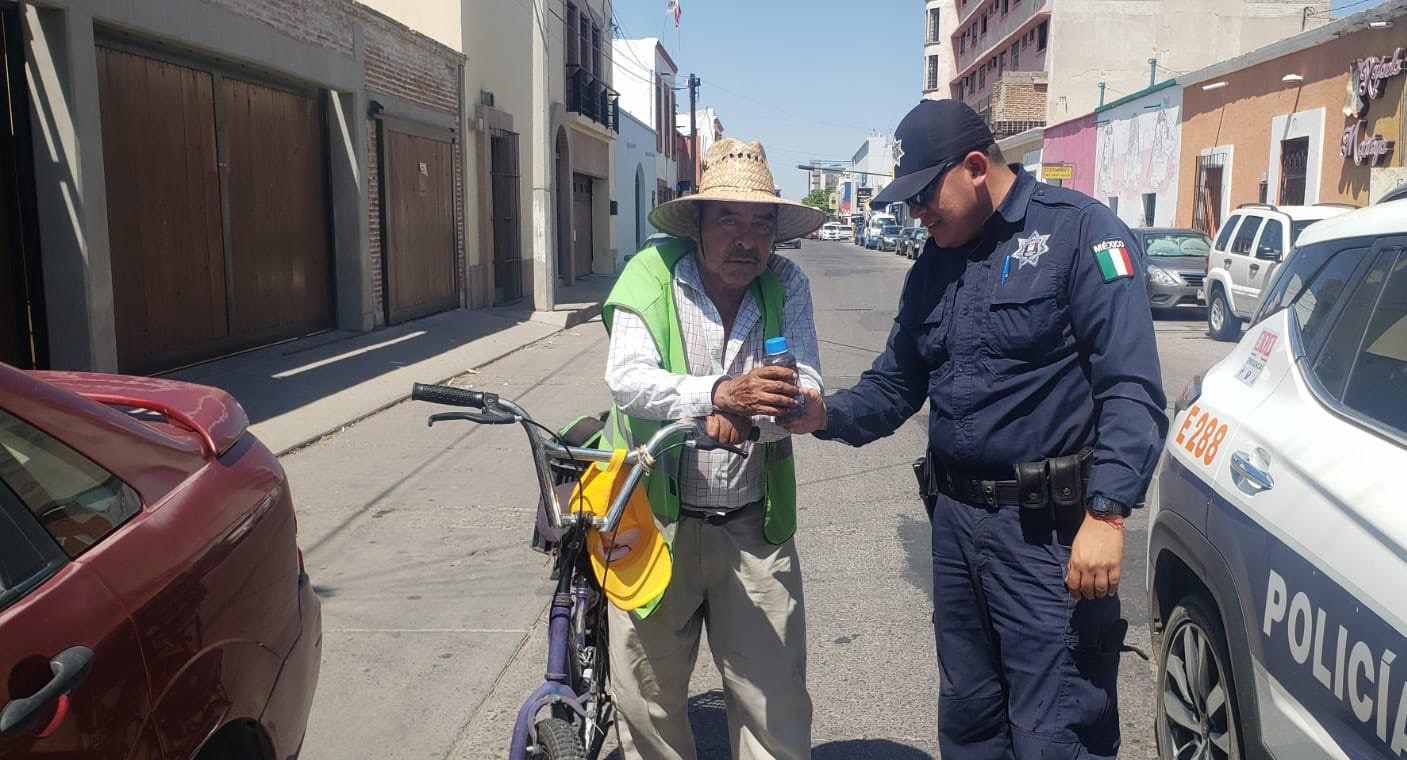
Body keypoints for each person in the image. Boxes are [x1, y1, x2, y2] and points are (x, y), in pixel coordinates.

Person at [785, 99, 1168, 758]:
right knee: (969, 720)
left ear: (973, 167)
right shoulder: (936, 259)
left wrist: (1106, 515)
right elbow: (896, 381)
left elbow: (1130, 389)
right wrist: (823, 414)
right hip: (957, 529)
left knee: (1056, 732)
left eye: (923, 196)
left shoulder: (1080, 234)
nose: (915, 214)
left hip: (1045, 537)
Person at [600, 137, 826, 760]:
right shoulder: (650, 275)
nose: (745, 238)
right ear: (697, 224)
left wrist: (761, 414)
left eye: (760, 222)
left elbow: (807, 387)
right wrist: (718, 394)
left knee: (774, 704)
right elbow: (628, 380)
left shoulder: (787, 283)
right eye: (727, 218)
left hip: (754, 523)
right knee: (648, 701)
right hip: (657, 520)